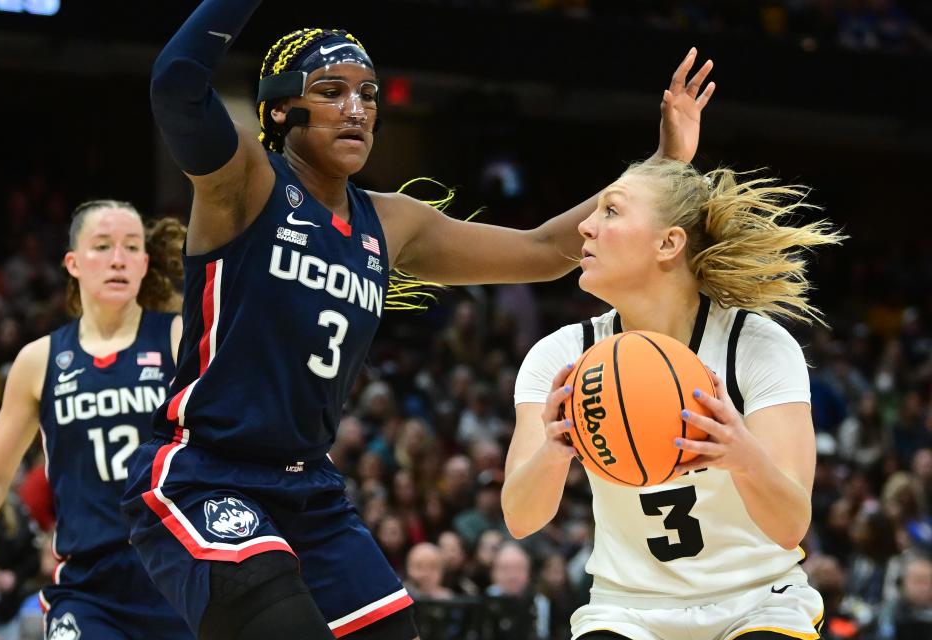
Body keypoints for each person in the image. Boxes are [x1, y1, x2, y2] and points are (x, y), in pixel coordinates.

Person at [120, 1, 715, 639]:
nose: (356, 109)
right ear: (278, 111)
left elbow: (544, 252)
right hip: (206, 472)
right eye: (330, 92)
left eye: (369, 95)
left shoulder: (391, 221)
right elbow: (177, 83)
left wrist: (661, 165)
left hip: (308, 491)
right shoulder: (246, 182)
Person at [503, 159, 844, 639]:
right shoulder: (561, 355)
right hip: (627, 608)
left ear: (668, 243)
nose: (585, 224)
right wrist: (553, 452)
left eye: (611, 211)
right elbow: (520, 519)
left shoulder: (756, 344)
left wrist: (743, 456)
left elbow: (791, 526)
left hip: (757, 601)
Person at [0, 200, 191, 639]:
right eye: (102, 246)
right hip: (89, 586)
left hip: (177, 573)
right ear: (72, 262)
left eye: (131, 247)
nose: (117, 259)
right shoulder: (39, 360)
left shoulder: (178, 337)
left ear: (145, 263)